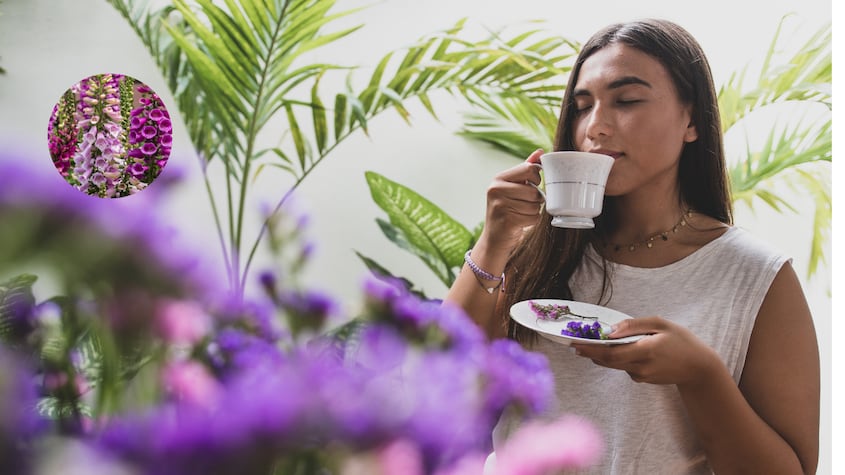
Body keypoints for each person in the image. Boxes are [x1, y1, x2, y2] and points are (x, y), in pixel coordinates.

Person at [444, 18, 819, 474]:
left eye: (627, 100)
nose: (595, 127)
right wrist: (492, 244)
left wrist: (700, 375)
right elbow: (440, 384)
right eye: (582, 107)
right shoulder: (535, 254)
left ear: (693, 121)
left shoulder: (756, 277)